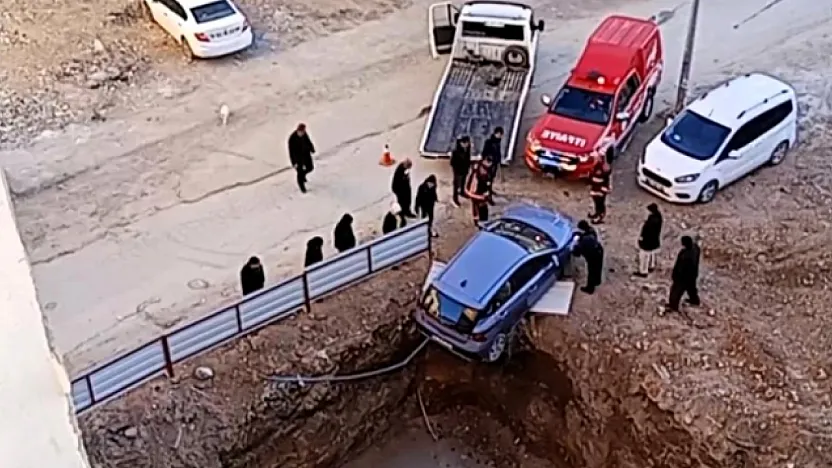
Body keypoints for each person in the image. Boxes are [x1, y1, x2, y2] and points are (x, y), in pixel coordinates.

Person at [668, 235, 701, 312]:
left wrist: (675, 276)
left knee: (675, 292)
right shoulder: (696, 249)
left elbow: (680, 268)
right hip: (693, 275)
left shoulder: (685, 255)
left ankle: (673, 305)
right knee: (691, 289)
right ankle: (695, 300)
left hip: (682, 278)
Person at [572, 220, 604, 294]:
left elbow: (577, 253)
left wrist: (574, 247)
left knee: (592, 271)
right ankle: (597, 281)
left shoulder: (585, 240)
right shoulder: (591, 231)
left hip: (593, 256)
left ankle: (590, 288)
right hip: (599, 251)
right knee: (597, 268)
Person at [635, 203, 663, 277]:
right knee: (652, 254)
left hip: (647, 242)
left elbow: (646, 232)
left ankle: (643, 271)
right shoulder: (659, 216)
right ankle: (651, 266)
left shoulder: (650, 222)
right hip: (654, 241)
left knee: (644, 256)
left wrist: (641, 239)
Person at [288, 123, 316, 193]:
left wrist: (312, 148)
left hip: (306, 154)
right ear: (297, 130)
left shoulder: (304, 134)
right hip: (298, 158)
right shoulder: (292, 139)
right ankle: (302, 188)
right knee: (299, 172)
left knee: (310, 168)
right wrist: (293, 162)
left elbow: (308, 141)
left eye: (303, 132)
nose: (302, 133)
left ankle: (303, 175)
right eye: (301, 132)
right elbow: (291, 152)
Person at [465, 159, 493, 226]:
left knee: (483, 211)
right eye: (485, 168)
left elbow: (488, 184)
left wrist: (488, 193)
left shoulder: (486, 175)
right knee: (477, 210)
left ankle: (482, 221)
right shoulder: (476, 178)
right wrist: (481, 197)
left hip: (482, 197)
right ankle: (478, 221)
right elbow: (469, 193)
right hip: (478, 198)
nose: (486, 171)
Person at [450, 136, 472, 207]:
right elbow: (452, 162)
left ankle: (462, 192)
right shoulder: (456, 152)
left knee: (463, 182)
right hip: (458, 170)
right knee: (456, 185)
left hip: (464, 169)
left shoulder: (467, 150)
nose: (466, 145)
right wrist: (457, 169)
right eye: (465, 143)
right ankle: (455, 198)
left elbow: (468, 159)